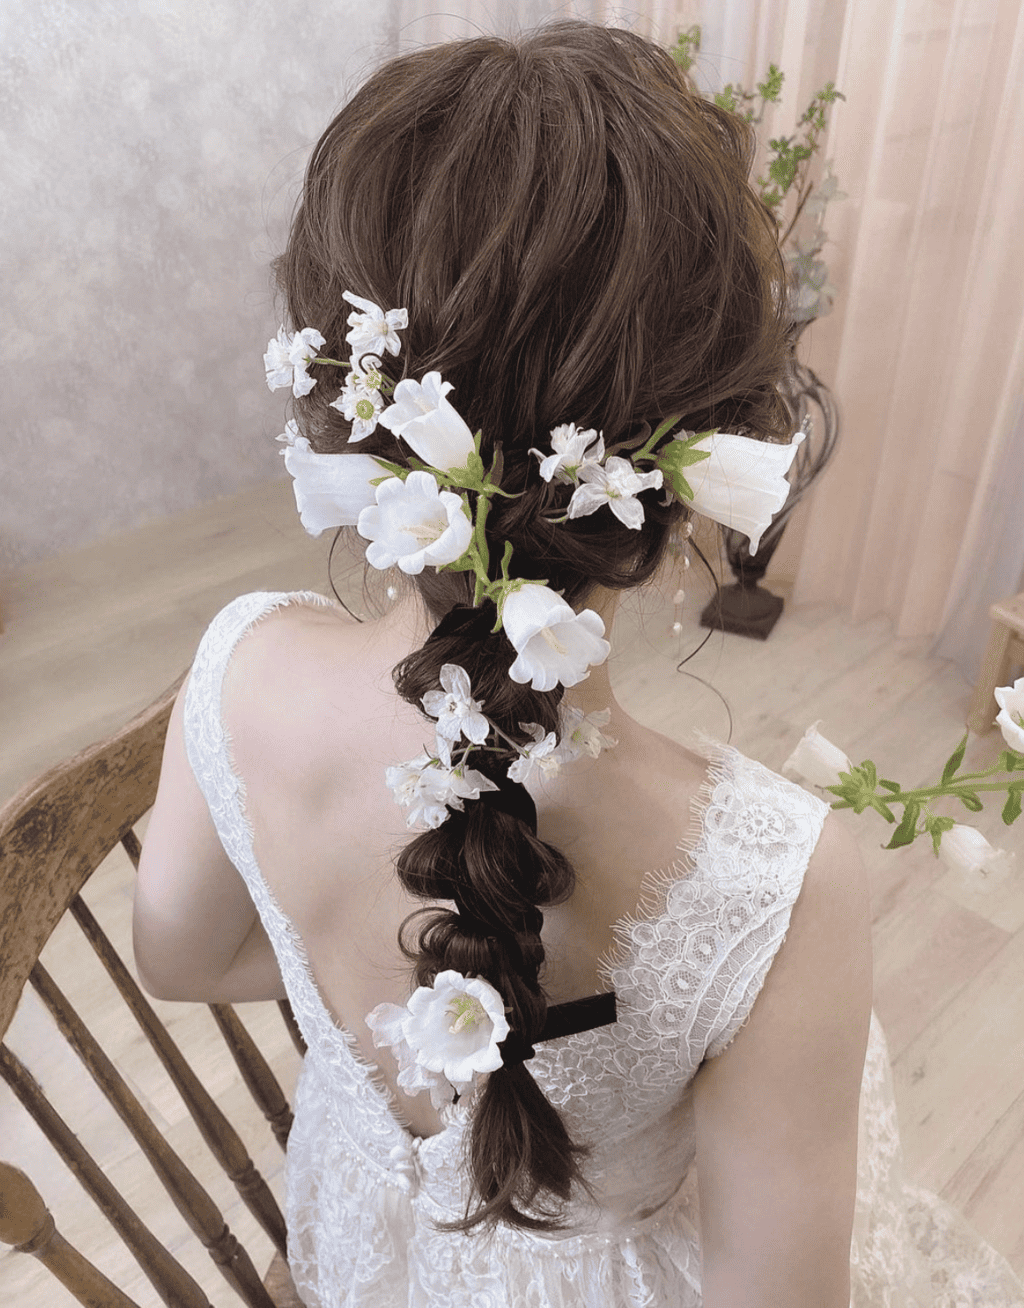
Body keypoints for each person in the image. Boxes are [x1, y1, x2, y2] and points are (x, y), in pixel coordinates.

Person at [133, 22, 1024, 1307]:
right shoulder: (771, 887)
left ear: (339, 400)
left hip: (362, 1249)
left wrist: (381, 987)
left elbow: (179, 961)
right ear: (709, 453)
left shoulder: (237, 669)